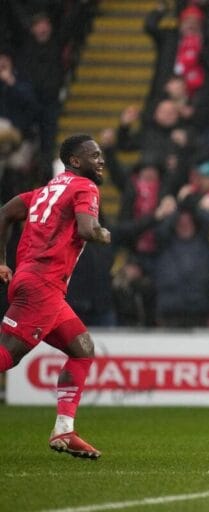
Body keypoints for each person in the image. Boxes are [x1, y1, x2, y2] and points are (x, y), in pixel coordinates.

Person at [0, 134, 110, 459]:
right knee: (8, 356)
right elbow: (89, 229)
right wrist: (104, 234)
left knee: (82, 348)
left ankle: (64, 429)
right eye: (95, 155)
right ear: (76, 161)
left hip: (34, 281)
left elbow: (4, 213)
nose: (101, 160)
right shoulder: (84, 187)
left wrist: (2, 261)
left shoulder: (46, 190)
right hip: (42, 285)